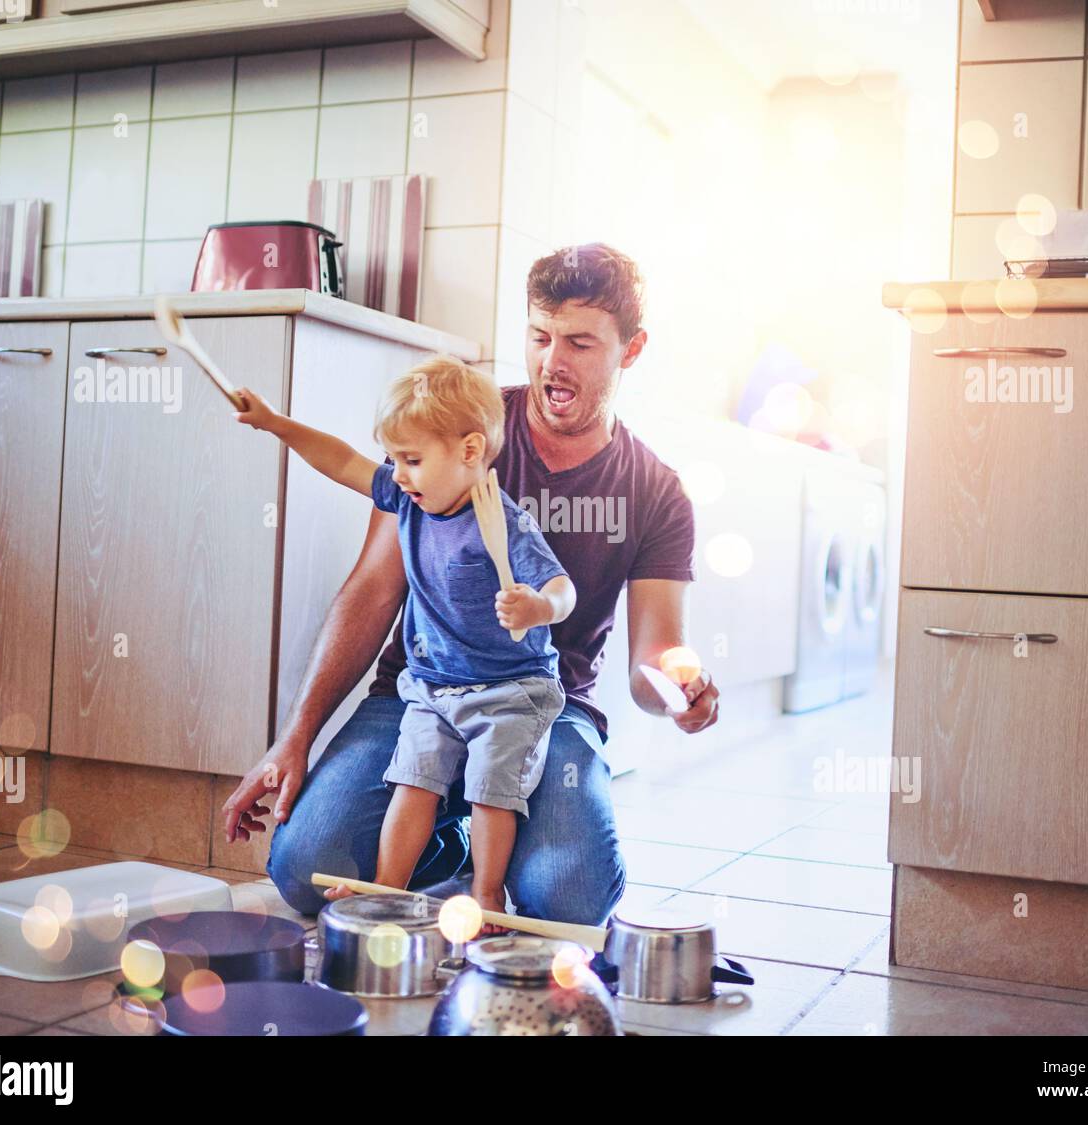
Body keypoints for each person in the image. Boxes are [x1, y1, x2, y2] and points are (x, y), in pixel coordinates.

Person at [222, 242, 721, 926]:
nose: (553, 360)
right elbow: (371, 590)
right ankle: (456, 838)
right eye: (540, 336)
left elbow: (652, 658)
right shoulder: (453, 428)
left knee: (567, 901)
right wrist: (296, 735)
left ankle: (504, 836)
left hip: (545, 705)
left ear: (630, 351)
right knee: (309, 867)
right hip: (423, 690)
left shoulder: (657, 491)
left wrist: (678, 691)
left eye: (579, 342)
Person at [232, 356, 574, 931]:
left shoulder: (504, 522)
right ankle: (386, 889)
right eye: (395, 459)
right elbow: (341, 460)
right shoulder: (406, 497)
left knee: (493, 788)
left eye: (412, 460)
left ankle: (487, 896)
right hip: (432, 686)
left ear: (469, 452)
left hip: (512, 690)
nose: (399, 474)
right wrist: (275, 424)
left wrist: (537, 606)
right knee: (412, 780)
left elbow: (561, 588)